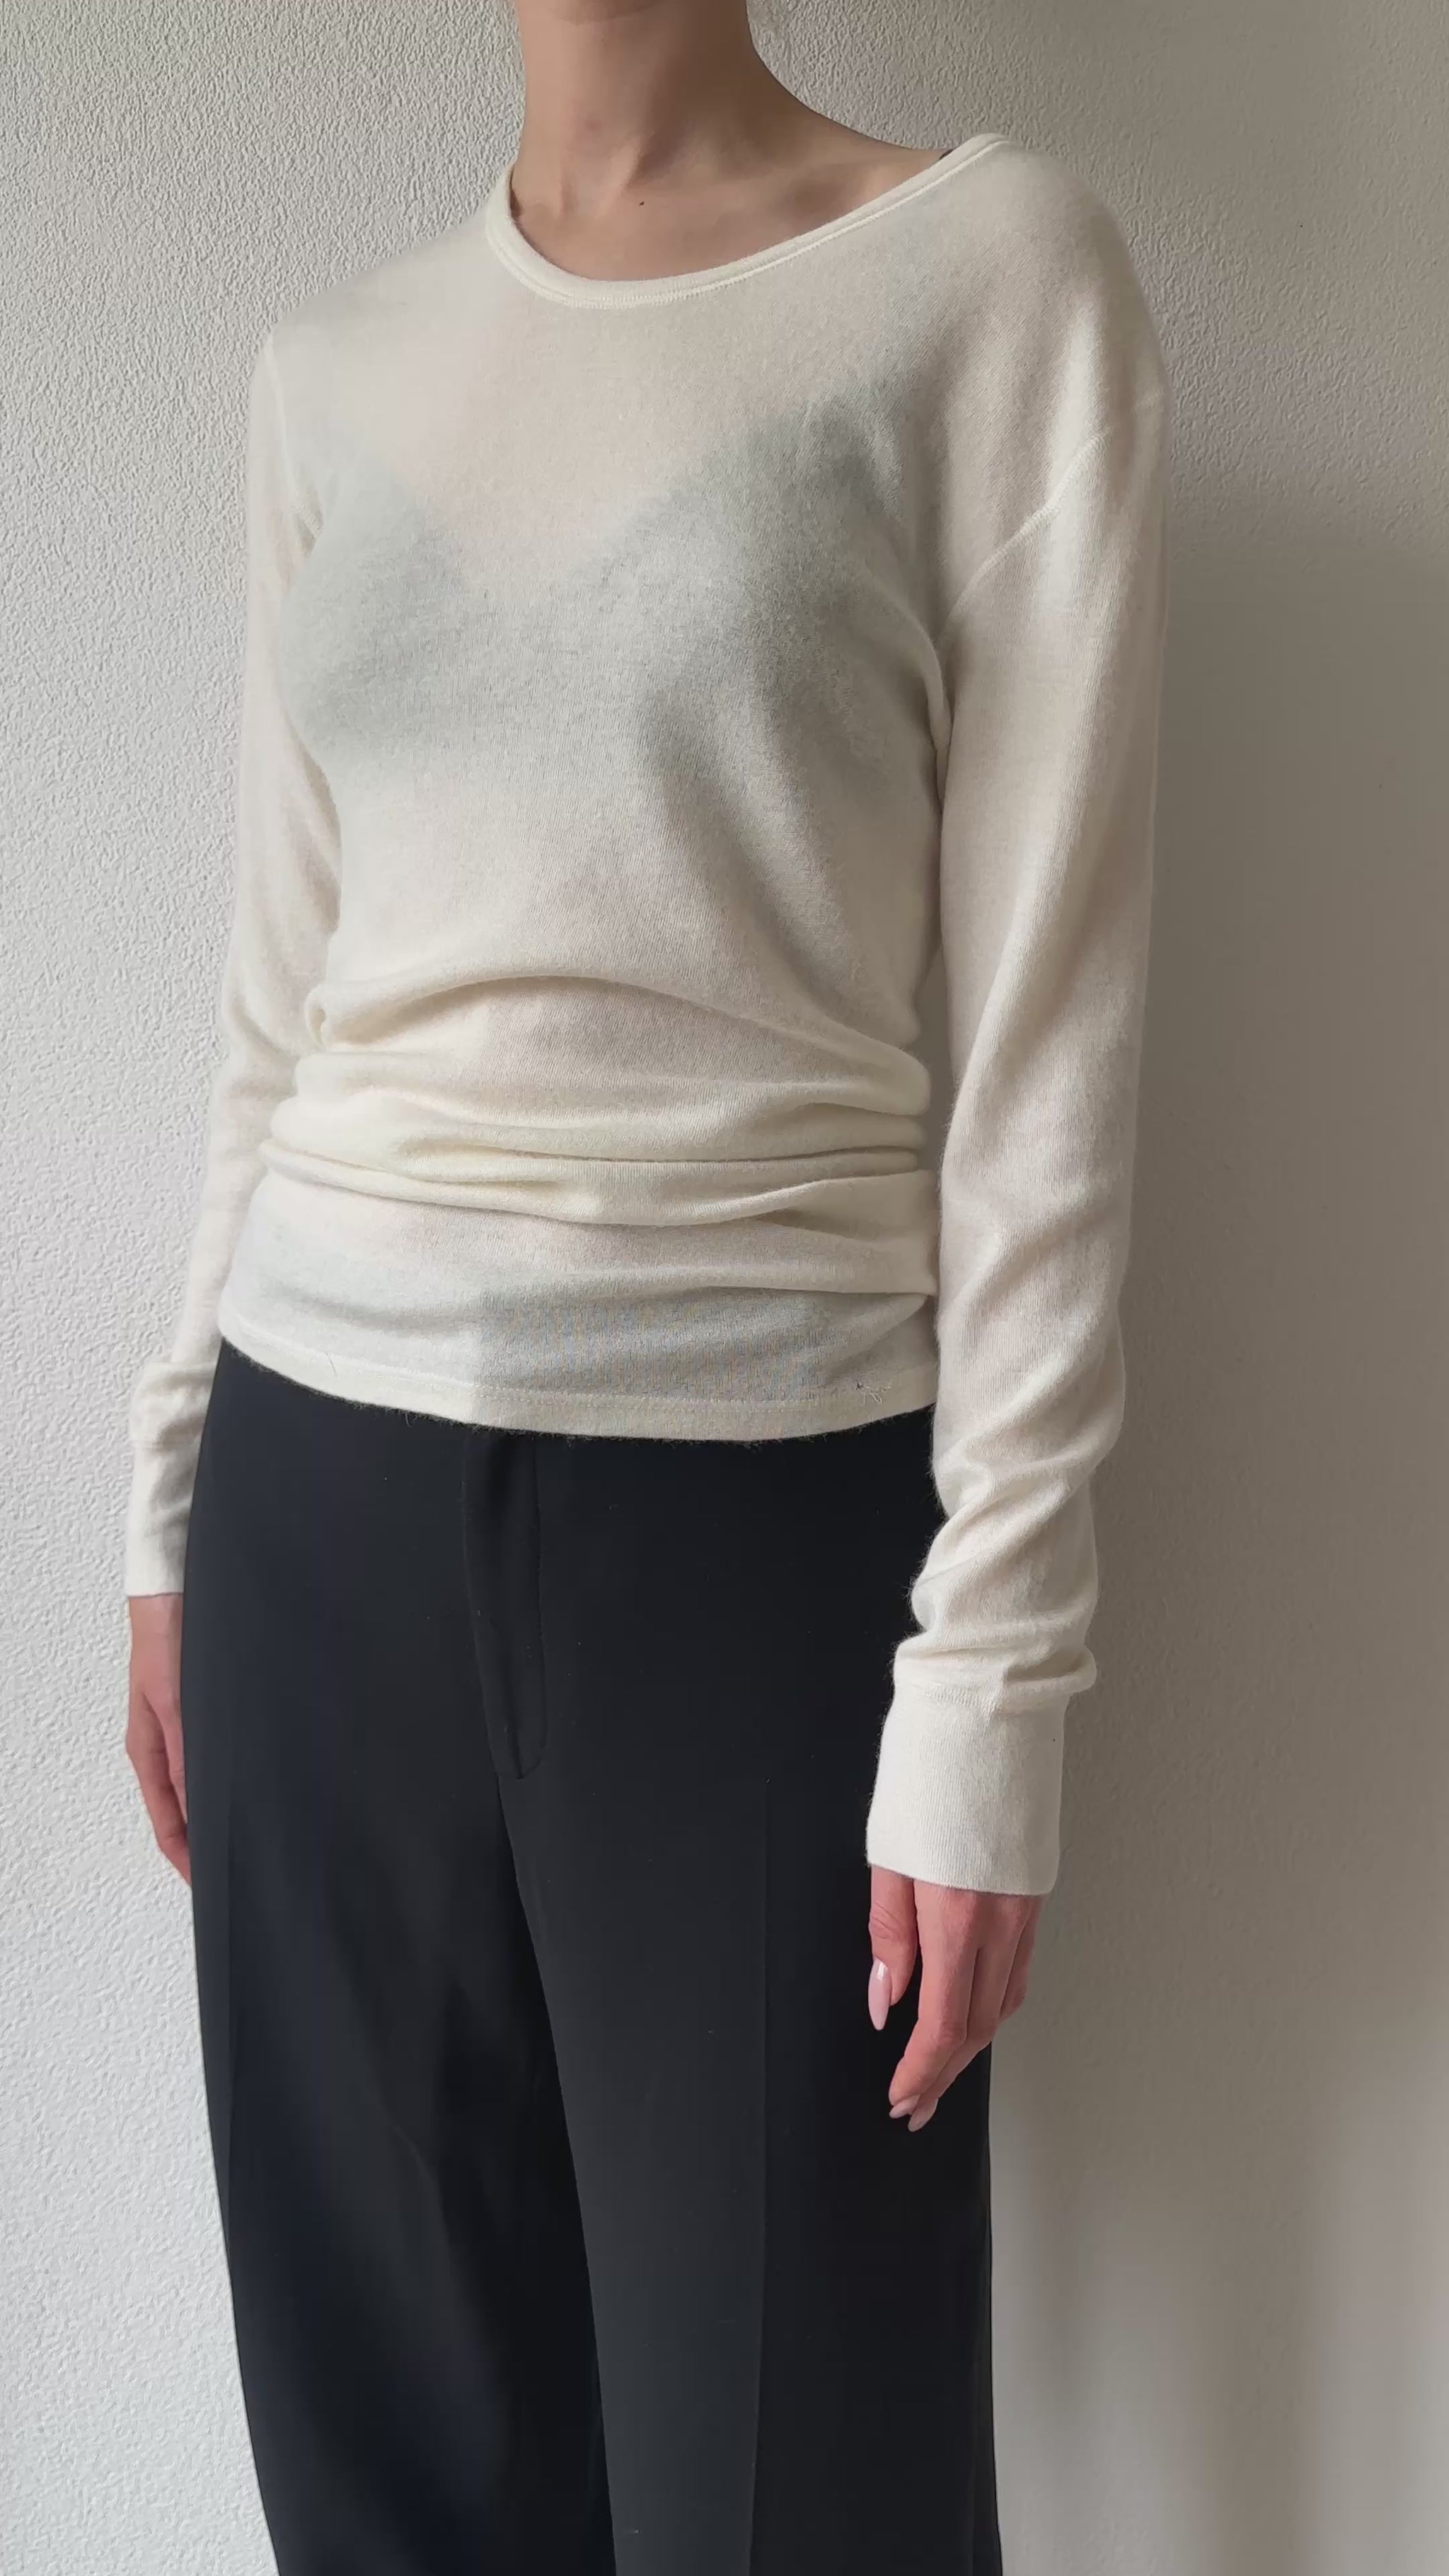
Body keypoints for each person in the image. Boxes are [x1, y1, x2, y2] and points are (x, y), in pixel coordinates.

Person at [122, 5, 1171, 2569]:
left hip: (757, 1529)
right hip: (314, 1511)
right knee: (392, 2477)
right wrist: (169, 1500)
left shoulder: (989, 280)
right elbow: (280, 1005)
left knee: (801, 2485)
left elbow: (1049, 1055)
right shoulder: (334, 369)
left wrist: (996, 1675)